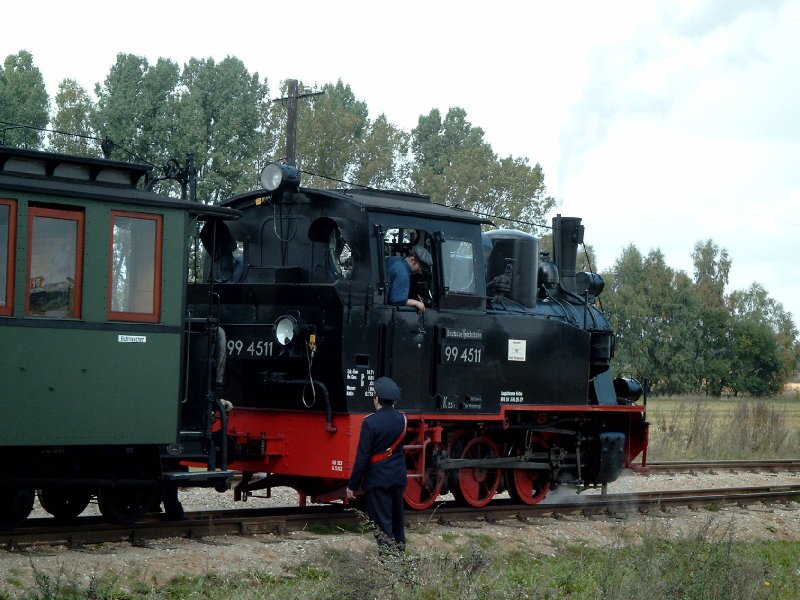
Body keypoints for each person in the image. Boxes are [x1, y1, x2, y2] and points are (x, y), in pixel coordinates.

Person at [346, 377, 408, 553]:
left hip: (378, 479)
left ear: (376, 399)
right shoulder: (403, 420)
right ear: (394, 400)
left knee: (382, 523)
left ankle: (388, 561)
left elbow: (363, 456)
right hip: (397, 478)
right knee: (398, 521)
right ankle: (400, 558)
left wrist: (353, 485)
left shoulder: (370, 422)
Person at [385, 244, 432, 314]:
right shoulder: (403, 273)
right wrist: (417, 303)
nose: (420, 272)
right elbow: (397, 300)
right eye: (420, 267)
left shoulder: (395, 259)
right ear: (413, 259)